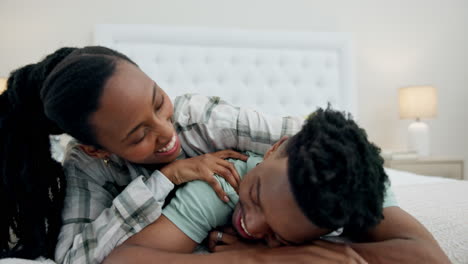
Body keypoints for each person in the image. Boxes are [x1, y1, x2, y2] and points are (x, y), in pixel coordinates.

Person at [0, 46, 304, 263]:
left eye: (158, 102)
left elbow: (314, 142)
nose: (166, 133)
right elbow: (72, 259)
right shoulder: (88, 167)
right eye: (139, 135)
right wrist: (165, 179)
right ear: (97, 149)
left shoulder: (196, 120)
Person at [104, 108, 450, 264]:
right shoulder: (227, 184)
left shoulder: (354, 191)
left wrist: (290, 254)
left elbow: (430, 259)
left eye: (280, 234)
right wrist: (261, 257)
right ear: (271, 150)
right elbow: (123, 260)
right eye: (256, 196)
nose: (250, 224)